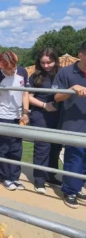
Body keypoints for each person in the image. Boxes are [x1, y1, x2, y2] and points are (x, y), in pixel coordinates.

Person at [52, 41, 86, 209]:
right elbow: (56, 97)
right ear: (81, 55)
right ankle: (70, 191)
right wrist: (71, 89)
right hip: (73, 123)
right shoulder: (66, 72)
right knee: (74, 158)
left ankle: (78, 187)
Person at [0, 51, 29, 191]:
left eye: (14, 66)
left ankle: (15, 177)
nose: (13, 70)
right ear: (2, 67)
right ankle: (4, 177)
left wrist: (25, 113)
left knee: (17, 149)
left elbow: (25, 93)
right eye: (9, 68)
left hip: (17, 116)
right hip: (3, 115)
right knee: (3, 148)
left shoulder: (23, 72)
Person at [29, 48, 62, 194]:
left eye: (49, 62)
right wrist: (44, 105)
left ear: (55, 60)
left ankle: (50, 175)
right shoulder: (35, 76)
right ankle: (39, 180)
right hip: (40, 114)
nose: (46, 65)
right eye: (43, 63)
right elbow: (28, 96)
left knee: (56, 147)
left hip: (58, 115)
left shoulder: (61, 75)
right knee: (42, 147)